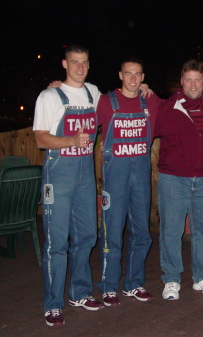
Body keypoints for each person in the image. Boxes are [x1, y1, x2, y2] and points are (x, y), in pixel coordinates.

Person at [33, 45, 103, 327]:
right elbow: (40, 139)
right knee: (57, 243)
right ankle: (53, 304)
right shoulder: (49, 96)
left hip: (86, 174)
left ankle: (79, 293)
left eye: (84, 63)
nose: (80, 68)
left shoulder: (93, 93)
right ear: (64, 64)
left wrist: (143, 86)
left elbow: (120, 100)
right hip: (58, 175)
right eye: (74, 63)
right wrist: (71, 141)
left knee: (87, 236)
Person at [155, 60, 203, 300]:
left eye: (198, 79)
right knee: (171, 230)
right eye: (189, 80)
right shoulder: (166, 107)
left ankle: (201, 276)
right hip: (174, 178)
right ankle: (172, 279)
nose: (193, 84)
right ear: (182, 81)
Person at [96, 57, 163, 306]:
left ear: (143, 77)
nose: (133, 78)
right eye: (128, 74)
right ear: (120, 76)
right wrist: (57, 88)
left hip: (141, 178)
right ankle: (109, 286)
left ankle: (134, 284)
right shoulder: (105, 102)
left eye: (138, 74)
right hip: (115, 178)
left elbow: (180, 108)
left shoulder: (151, 103)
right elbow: (78, 113)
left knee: (142, 233)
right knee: (111, 233)